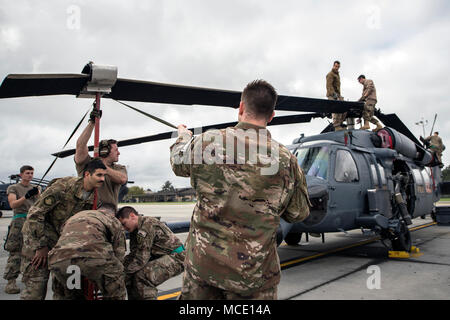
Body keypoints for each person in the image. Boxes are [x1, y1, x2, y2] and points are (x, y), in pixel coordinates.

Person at [170, 79, 311, 300]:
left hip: (203, 270)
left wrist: (183, 137)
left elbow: (177, 163)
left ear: (241, 107)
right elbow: (298, 213)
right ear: (271, 116)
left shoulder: (206, 143)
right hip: (253, 276)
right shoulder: (286, 160)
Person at [20, 158, 106, 300]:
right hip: (38, 240)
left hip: (64, 246)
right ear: (87, 175)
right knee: (35, 290)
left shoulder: (96, 198)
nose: (102, 179)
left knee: (67, 291)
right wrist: (40, 246)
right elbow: (35, 214)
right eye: (99, 175)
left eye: (104, 176)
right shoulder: (63, 187)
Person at [48, 203, 126, 300]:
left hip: (60, 260)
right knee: (116, 289)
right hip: (93, 258)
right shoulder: (111, 219)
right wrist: (104, 276)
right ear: (113, 213)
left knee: (68, 295)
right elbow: (119, 252)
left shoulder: (74, 217)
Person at [116, 206, 185, 300]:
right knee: (131, 278)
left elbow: (141, 258)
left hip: (177, 257)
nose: (124, 228)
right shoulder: (135, 230)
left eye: (124, 224)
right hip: (164, 257)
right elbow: (134, 254)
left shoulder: (147, 225)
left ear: (132, 216)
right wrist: (120, 267)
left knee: (143, 276)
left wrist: (123, 272)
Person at [74, 106, 127, 208]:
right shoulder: (88, 164)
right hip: (86, 214)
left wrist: (102, 167)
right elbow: (80, 146)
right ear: (105, 151)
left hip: (108, 216)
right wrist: (92, 123)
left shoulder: (119, 168)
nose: (119, 153)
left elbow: (122, 179)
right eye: (116, 150)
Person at [3, 165, 40, 294]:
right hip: (19, 221)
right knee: (16, 252)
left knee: (32, 252)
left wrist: (37, 194)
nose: (30, 175)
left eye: (31, 173)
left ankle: (28, 279)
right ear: (21, 175)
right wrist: (26, 196)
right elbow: (13, 204)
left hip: (32, 221)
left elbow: (39, 205)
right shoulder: (13, 188)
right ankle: (11, 282)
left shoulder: (35, 188)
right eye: (27, 173)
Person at [326, 60, 347, 131]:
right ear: (333, 66)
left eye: (338, 66)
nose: (337, 68)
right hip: (332, 95)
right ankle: (336, 125)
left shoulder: (337, 75)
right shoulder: (330, 74)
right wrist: (334, 95)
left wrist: (339, 96)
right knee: (336, 108)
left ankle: (340, 123)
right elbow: (329, 86)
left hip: (338, 95)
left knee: (344, 108)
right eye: (335, 66)